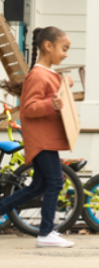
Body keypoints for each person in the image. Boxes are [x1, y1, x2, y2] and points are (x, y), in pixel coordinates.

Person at [0, 26, 75, 248]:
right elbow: (29, 108)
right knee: (54, 182)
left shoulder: (48, 74)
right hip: (42, 140)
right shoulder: (38, 75)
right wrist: (51, 103)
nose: (66, 54)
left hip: (46, 138)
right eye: (64, 48)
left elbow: (52, 96)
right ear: (48, 46)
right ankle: (45, 233)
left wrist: (64, 86)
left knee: (38, 186)